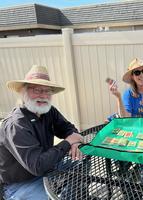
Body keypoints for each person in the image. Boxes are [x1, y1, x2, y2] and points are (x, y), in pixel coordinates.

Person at [0, 65, 83, 200]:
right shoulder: (17, 124)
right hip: (19, 184)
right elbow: (37, 166)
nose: (43, 96)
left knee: (81, 161)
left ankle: (69, 195)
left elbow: (68, 128)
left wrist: (75, 144)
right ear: (23, 92)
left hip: (46, 168)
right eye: (37, 90)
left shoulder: (48, 111)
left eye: (48, 91)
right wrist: (68, 142)